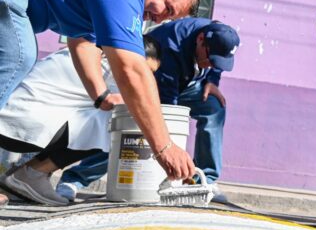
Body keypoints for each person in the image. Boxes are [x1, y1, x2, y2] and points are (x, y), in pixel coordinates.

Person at [0, 0, 200, 209]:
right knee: (16, 55)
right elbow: (132, 69)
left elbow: (81, 40)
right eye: (167, 9)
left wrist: (100, 96)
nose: (159, 19)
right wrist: (164, 147)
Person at [56, 18, 240, 202]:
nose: (210, 64)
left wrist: (212, 81)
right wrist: (166, 145)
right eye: (210, 59)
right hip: (155, 84)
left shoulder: (216, 35)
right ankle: (74, 179)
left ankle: (205, 180)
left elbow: (218, 58)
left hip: (188, 83)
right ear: (200, 39)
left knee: (213, 108)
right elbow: (168, 104)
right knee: (136, 134)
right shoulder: (171, 46)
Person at [0, 36, 161, 206]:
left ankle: (29, 174)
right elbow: (141, 106)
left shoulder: (87, 54)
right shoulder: (110, 67)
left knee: (108, 115)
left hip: (13, 122)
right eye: (145, 71)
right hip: (17, 129)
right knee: (118, 122)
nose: (146, 77)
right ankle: (33, 174)